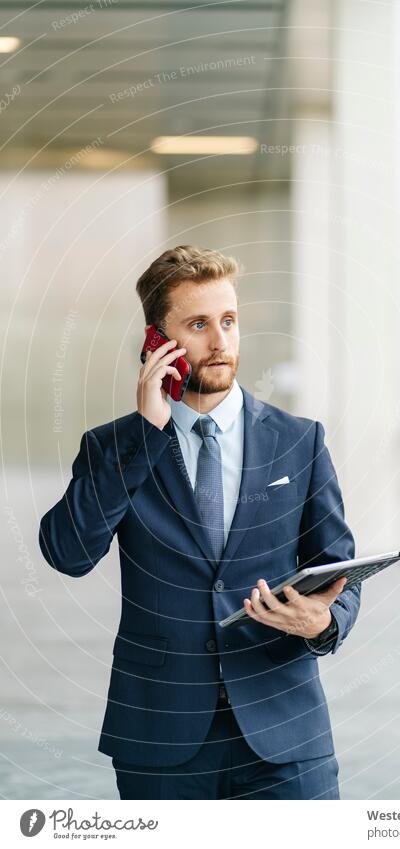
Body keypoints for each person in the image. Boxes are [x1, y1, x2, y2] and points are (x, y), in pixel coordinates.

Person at [38, 245, 362, 800]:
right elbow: (69, 553)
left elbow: (340, 569)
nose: (220, 342)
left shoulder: (299, 440)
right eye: (198, 324)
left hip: (285, 733)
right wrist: (145, 434)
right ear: (156, 342)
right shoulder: (114, 446)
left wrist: (324, 623)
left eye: (229, 321)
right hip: (161, 737)